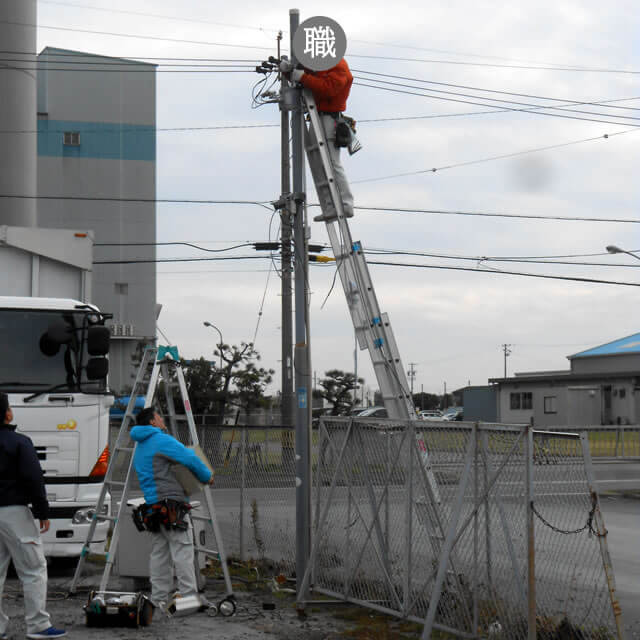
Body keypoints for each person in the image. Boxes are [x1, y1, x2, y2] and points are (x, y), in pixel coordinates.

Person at [130, 407, 214, 612]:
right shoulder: (160, 440)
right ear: (152, 422)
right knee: (183, 551)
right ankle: (189, 600)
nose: (162, 418)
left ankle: (158, 599)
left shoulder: (140, 446)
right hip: (172, 505)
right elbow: (189, 458)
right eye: (159, 416)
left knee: (159, 554)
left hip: (152, 507)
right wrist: (206, 476)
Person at [0, 392, 66, 639]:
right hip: (15, 513)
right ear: (8, 414)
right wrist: (42, 511)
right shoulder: (19, 442)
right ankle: (38, 625)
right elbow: (33, 478)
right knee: (33, 569)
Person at [290, 58, 355, 222]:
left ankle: (345, 204)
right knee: (319, 163)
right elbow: (312, 78)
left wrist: (303, 77)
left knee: (331, 162)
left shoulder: (338, 65)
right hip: (316, 115)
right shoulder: (323, 64)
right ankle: (329, 206)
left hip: (328, 118)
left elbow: (328, 88)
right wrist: (290, 71)